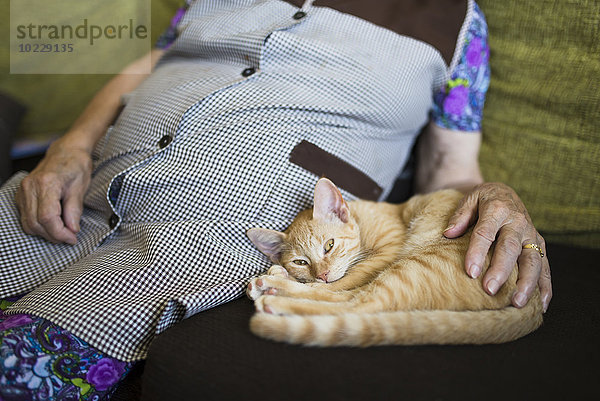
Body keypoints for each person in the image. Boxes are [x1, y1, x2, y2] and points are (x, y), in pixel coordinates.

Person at [0, 0, 552, 398]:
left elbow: (449, 170)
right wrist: (69, 144)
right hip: (86, 184)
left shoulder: (458, 26)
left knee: (23, 368)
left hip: (213, 234)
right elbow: (152, 62)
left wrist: (502, 200)